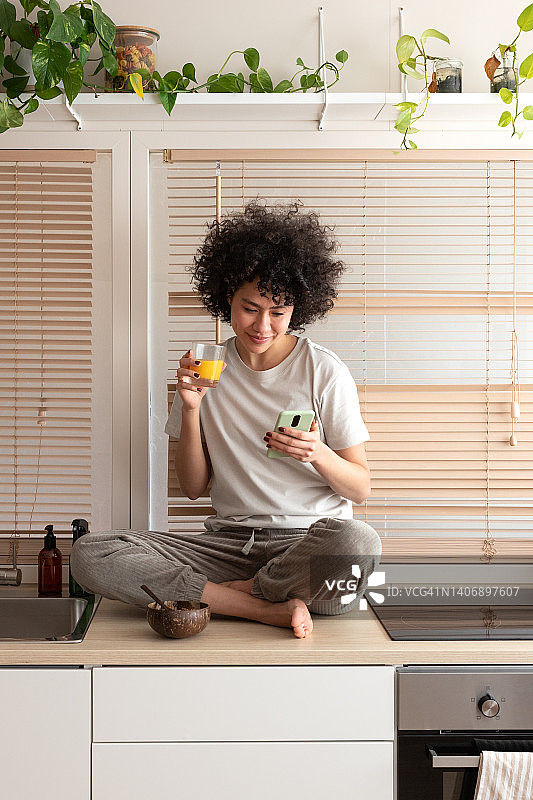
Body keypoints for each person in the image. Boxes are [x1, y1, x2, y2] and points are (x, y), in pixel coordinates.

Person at [71, 201, 381, 639]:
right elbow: (195, 489)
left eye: (279, 311)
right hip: (229, 545)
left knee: (359, 544)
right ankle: (263, 609)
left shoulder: (323, 370)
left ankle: (235, 595)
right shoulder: (206, 367)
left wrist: (318, 453)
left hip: (305, 544)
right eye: (250, 308)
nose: (263, 325)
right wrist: (192, 410)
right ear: (226, 299)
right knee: (91, 553)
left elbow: (360, 488)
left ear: (298, 307)